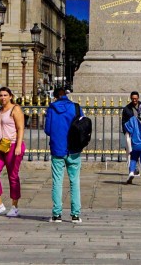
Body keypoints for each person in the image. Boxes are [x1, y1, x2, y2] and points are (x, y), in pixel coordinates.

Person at [45, 81, 84, 223]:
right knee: (75, 182)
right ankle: (75, 214)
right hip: (74, 149)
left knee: (57, 182)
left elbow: (48, 130)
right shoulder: (76, 107)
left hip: (58, 149)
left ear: (55, 97)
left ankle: (57, 214)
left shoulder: (51, 109)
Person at [0, 85, 25, 216]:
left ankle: (14, 206)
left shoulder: (15, 109)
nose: (2, 98)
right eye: (1, 95)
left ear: (10, 96)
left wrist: (19, 146)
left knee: (13, 176)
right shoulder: (0, 111)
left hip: (13, 145)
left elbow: (20, 128)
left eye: (5, 95)